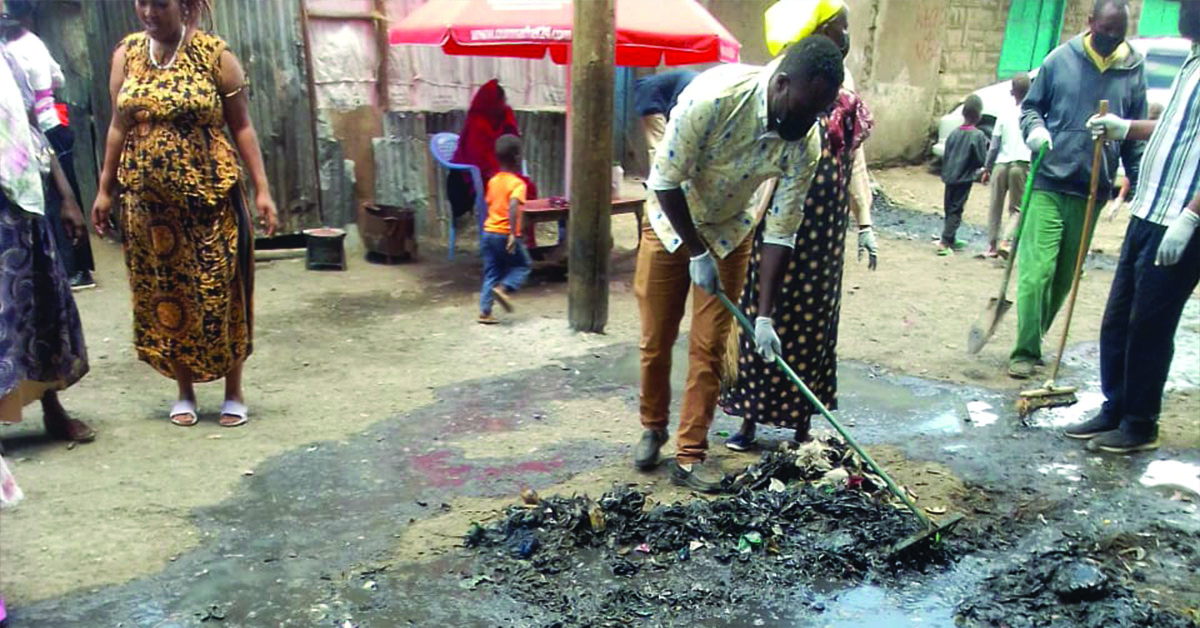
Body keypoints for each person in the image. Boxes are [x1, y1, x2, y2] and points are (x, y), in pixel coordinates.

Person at [632, 35, 843, 492]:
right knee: (657, 339)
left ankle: (690, 455)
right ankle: (653, 426)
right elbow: (665, 181)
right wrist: (695, 251)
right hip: (671, 221)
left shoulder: (805, 141)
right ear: (782, 84)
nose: (808, 122)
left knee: (710, 348)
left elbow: (782, 231)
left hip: (730, 230)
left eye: (818, 114)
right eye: (804, 110)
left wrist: (764, 316)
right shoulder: (713, 99)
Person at [90, 0, 278, 428]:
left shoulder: (216, 56)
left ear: (186, 5)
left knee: (221, 292)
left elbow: (242, 126)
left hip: (210, 201)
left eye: (161, 4)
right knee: (165, 293)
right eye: (143, 2)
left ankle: (233, 390)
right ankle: (184, 390)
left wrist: (263, 189)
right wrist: (105, 189)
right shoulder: (127, 54)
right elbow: (118, 124)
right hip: (149, 207)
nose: (149, 12)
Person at [721, 0, 875, 450]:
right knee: (760, 312)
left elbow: (856, 162)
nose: (846, 37)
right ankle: (748, 418)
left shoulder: (845, 93)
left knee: (814, 324)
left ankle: (802, 424)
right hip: (781, 219)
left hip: (825, 233)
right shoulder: (782, 77)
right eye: (840, 28)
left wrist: (864, 221)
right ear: (820, 31)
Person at [1074, 0, 1200, 454]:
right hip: (1148, 209)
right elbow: (1174, 128)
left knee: (1149, 324)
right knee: (1117, 318)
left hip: (1181, 221)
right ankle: (1116, 406)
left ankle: (1140, 423)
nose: (1186, 10)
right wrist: (1124, 127)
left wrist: (1192, 217)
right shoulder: (1192, 60)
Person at [1010, 0, 1147, 379]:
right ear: (1090, 24)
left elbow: (1134, 131)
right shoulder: (1059, 59)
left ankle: (1035, 337)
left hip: (1093, 190)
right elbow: (1031, 108)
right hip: (1050, 180)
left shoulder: (1133, 69)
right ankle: (1024, 350)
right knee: (1037, 272)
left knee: (1063, 278)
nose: (1110, 41)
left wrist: (1134, 175)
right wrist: (1035, 130)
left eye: (1118, 35)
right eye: (1104, 32)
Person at [0, 39, 93, 444]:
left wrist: (67, 196)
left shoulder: (8, 62)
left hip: (24, 207)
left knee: (43, 305)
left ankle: (52, 409)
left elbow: (34, 129)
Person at [1, 0, 96, 290]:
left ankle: (76, 270)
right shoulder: (33, 44)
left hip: (41, 132)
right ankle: (79, 268)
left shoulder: (14, 54)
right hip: (50, 125)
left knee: (58, 204)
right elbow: (58, 77)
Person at [478, 134, 532, 325]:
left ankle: (485, 312)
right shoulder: (517, 184)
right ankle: (504, 289)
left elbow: (490, 204)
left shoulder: (493, 181)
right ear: (517, 158)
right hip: (504, 233)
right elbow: (513, 205)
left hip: (488, 232)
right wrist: (512, 233)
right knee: (522, 265)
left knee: (492, 270)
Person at [980, 72, 1032, 258]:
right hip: (1021, 164)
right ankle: (1006, 240)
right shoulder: (1032, 115)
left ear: (1012, 92)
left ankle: (991, 246)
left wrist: (987, 168)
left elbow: (994, 145)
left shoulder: (1005, 112)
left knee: (995, 206)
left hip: (1000, 165)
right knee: (1017, 208)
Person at [938, 95, 988, 256]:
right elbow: (981, 159)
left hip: (949, 177)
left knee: (949, 208)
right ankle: (944, 243)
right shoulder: (978, 136)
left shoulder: (953, 133)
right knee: (956, 210)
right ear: (979, 115)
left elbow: (946, 155)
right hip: (963, 179)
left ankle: (951, 239)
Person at [1104, 102, 1163, 222]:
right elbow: (1131, 173)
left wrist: (1119, 199)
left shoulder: (1158, 145)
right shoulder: (1141, 145)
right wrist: (1119, 199)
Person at [634, 69, 698, 163]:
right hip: (651, 99)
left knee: (664, 143)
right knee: (659, 144)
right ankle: (659, 175)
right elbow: (675, 106)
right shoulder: (692, 83)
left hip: (653, 96)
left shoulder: (696, 80)